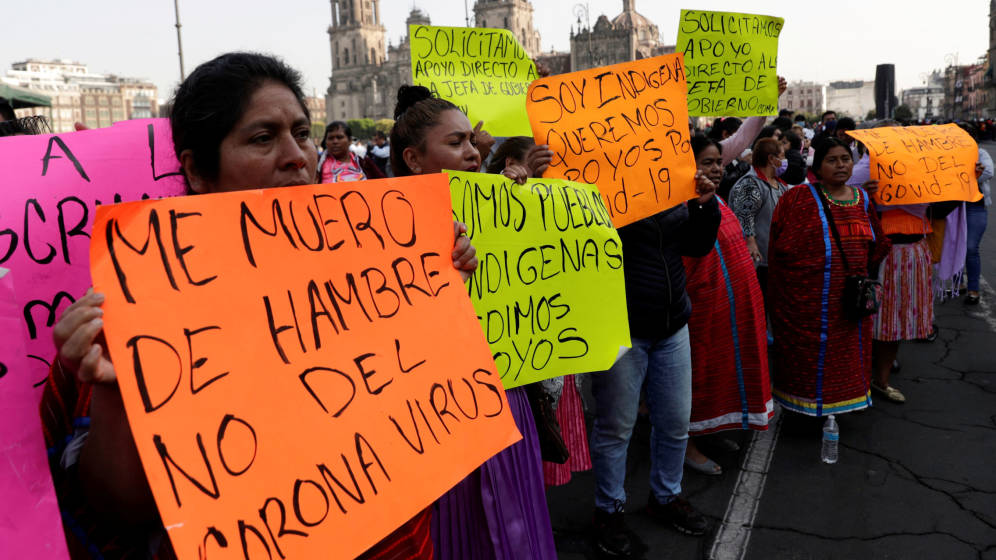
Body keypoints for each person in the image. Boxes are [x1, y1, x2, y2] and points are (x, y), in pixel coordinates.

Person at [43, 52, 478, 560]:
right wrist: (116, 394)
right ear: (198, 170)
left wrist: (438, 289)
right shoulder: (136, 308)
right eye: (262, 137)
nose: (297, 155)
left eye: (302, 132)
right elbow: (117, 510)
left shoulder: (373, 271)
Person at [389, 85, 557, 560]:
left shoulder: (496, 202)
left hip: (505, 396)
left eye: (470, 141)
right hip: (437, 415)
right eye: (456, 142)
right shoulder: (379, 232)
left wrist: (527, 199)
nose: (472, 151)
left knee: (516, 522)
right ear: (414, 159)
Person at [588, 152, 720, 554]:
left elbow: (697, 246)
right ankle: (608, 511)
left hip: (672, 324)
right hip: (621, 332)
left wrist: (706, 203)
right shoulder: (592, 187)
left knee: (676, 421)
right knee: (616, 426)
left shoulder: (671, 182)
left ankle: (665, 497)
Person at [767, 137, 890, 417]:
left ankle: (843, 404)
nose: (840, 165)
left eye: (845, 159)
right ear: (818, 167)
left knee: (846, 357)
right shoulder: (799, 198)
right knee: (808, 360)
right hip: (808, 304)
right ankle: (805, 411)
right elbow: (780, 247)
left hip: (851, 301)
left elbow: (878, 243)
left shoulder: (863, 198)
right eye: (832, 160)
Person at [682, 135, 772, 475]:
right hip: (697, 315)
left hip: (728, 314)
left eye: (719, 162)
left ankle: (708, 432)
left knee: (719, 378)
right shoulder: (677, 205)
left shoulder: (714, 200)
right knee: (693, 381)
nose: (717, 168)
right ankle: (685, 444)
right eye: (707, 162)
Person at [729, 137, 789, 295]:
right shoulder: (750, 184)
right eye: (782, 156)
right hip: (759, 261)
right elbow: (744, 215)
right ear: (771, 159)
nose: (784, 161)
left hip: (777, 260)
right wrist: (750, 241)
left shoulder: (779, 184)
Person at [965, 132, 993, 305]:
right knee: (954, 248)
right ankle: (957, 283)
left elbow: (988, 171)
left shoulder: (981, 153)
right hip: (955, 207)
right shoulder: (950, 154)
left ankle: (973, 288)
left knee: (970, 248)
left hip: (976, 207)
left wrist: (968, 176)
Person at [317, 120, 385, 182]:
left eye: (339, 137)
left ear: (349, 140)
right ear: (326, 142)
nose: (335, 141)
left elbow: (384, 184)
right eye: (330, 138)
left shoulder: (364, 163)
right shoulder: (317, 165)